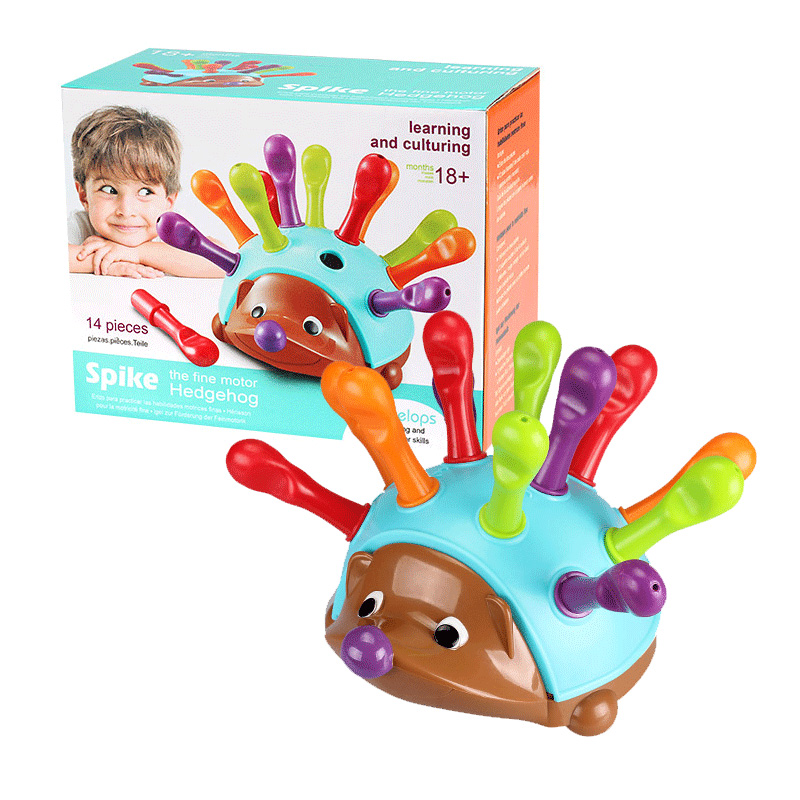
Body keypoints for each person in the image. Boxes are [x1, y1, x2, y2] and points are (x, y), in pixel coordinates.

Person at [68, 106, 223, 278]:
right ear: (84, 196)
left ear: (168, 202)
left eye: (145, 192)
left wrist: (136, 253)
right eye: (110, 190)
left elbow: (222, 261)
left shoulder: (172, 228)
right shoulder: (81, 225)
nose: (126, 211)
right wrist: (106, 260)